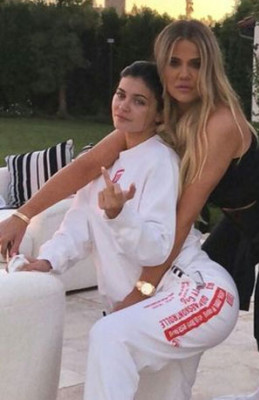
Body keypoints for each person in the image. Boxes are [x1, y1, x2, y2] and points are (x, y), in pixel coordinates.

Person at [0, 19, 259, 400]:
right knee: (186, 305)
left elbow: (182, 219)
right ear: (161, 64)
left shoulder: (219, 121)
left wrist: (142, 290)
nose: (184, 74)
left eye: (195, 64)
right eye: (175, 63)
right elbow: (85, 166)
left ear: (209, 68)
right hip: (243, 223)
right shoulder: (164, 114)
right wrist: (21, 216)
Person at [14, 61, 239, 400]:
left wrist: (120, 215)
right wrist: (47, 261)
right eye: (120, 95)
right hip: (152, 306)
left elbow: (158, 249)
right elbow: (76, 228)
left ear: (159, 115)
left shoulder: (160, 161)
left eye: (139, 101)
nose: (124, 106)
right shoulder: (105, 165)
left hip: (197, 292)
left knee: (109, 336)